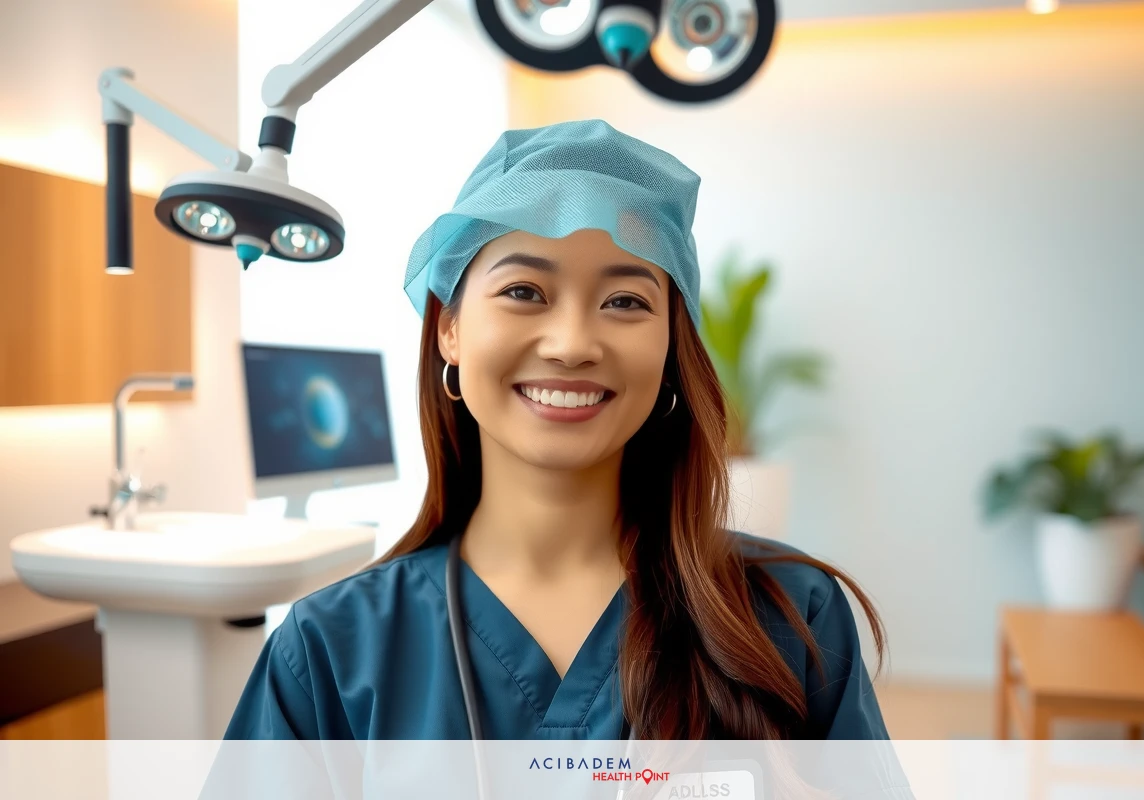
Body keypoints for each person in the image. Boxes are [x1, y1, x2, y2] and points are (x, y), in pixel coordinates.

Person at [224, 119, 892, 741]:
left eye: (625, 301)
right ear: (450, 328)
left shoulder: (791, 617)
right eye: (524, 292)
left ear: (669, 348)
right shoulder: (328, 652)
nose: (572, 344)